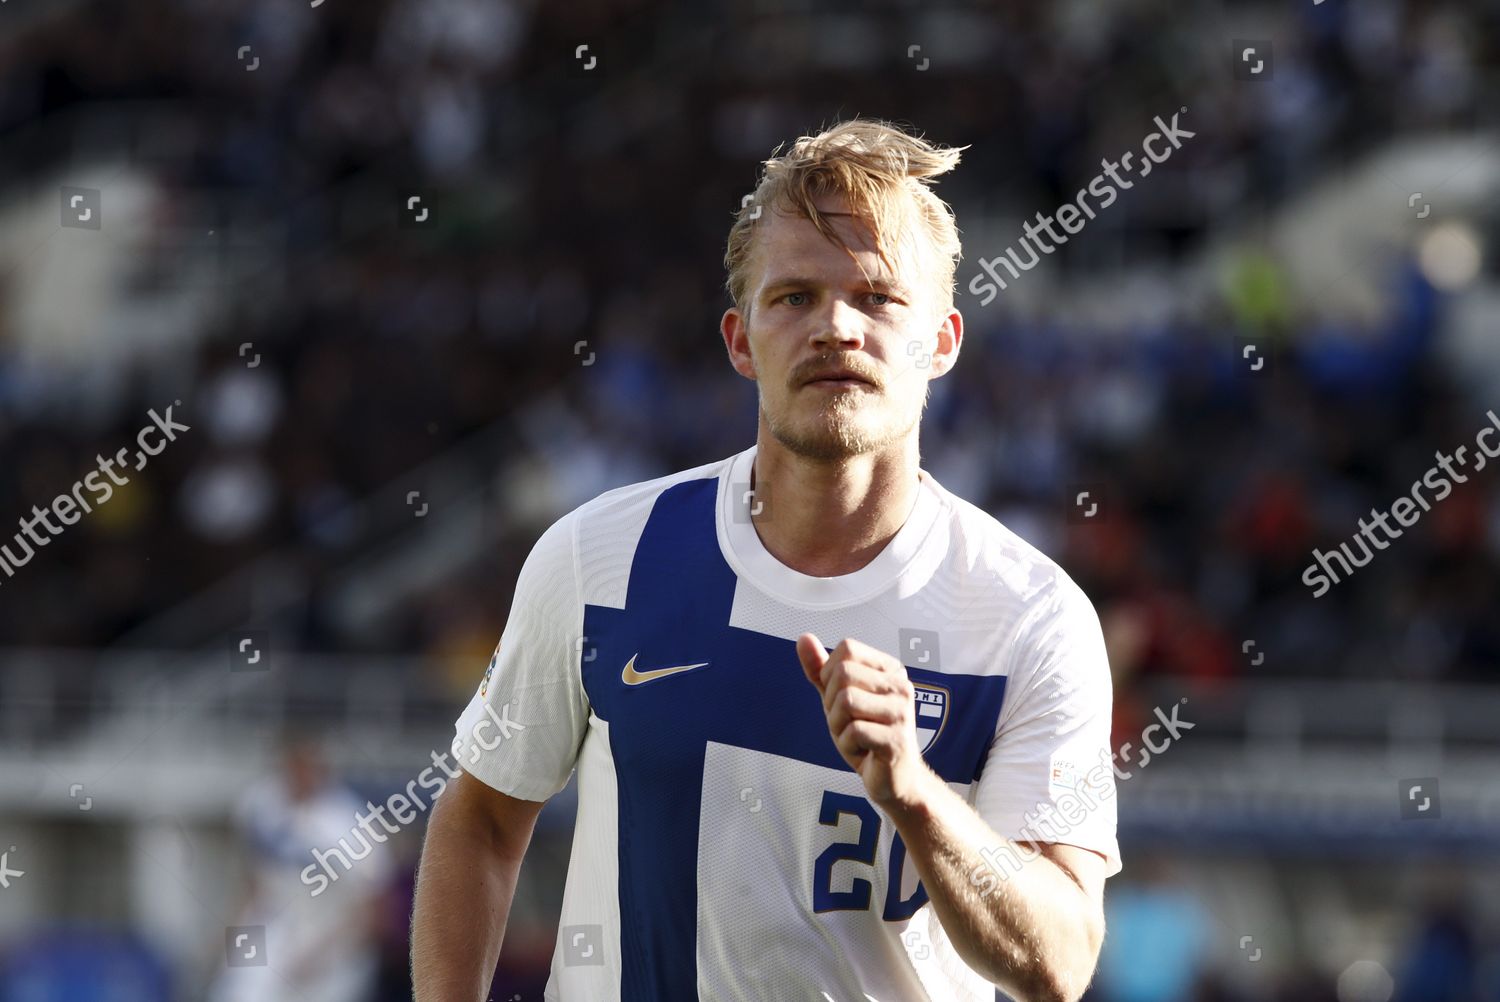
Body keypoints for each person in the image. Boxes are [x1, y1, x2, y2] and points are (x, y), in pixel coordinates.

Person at [411, 118, 1120, 1002]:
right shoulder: (602, 555)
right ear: (741, 342)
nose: (836, 328)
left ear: (941, 342)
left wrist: (915, 792)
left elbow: (1060, 956)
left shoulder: (1033, 617)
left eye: (878, 298)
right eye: (793, 298)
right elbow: (482, 817)